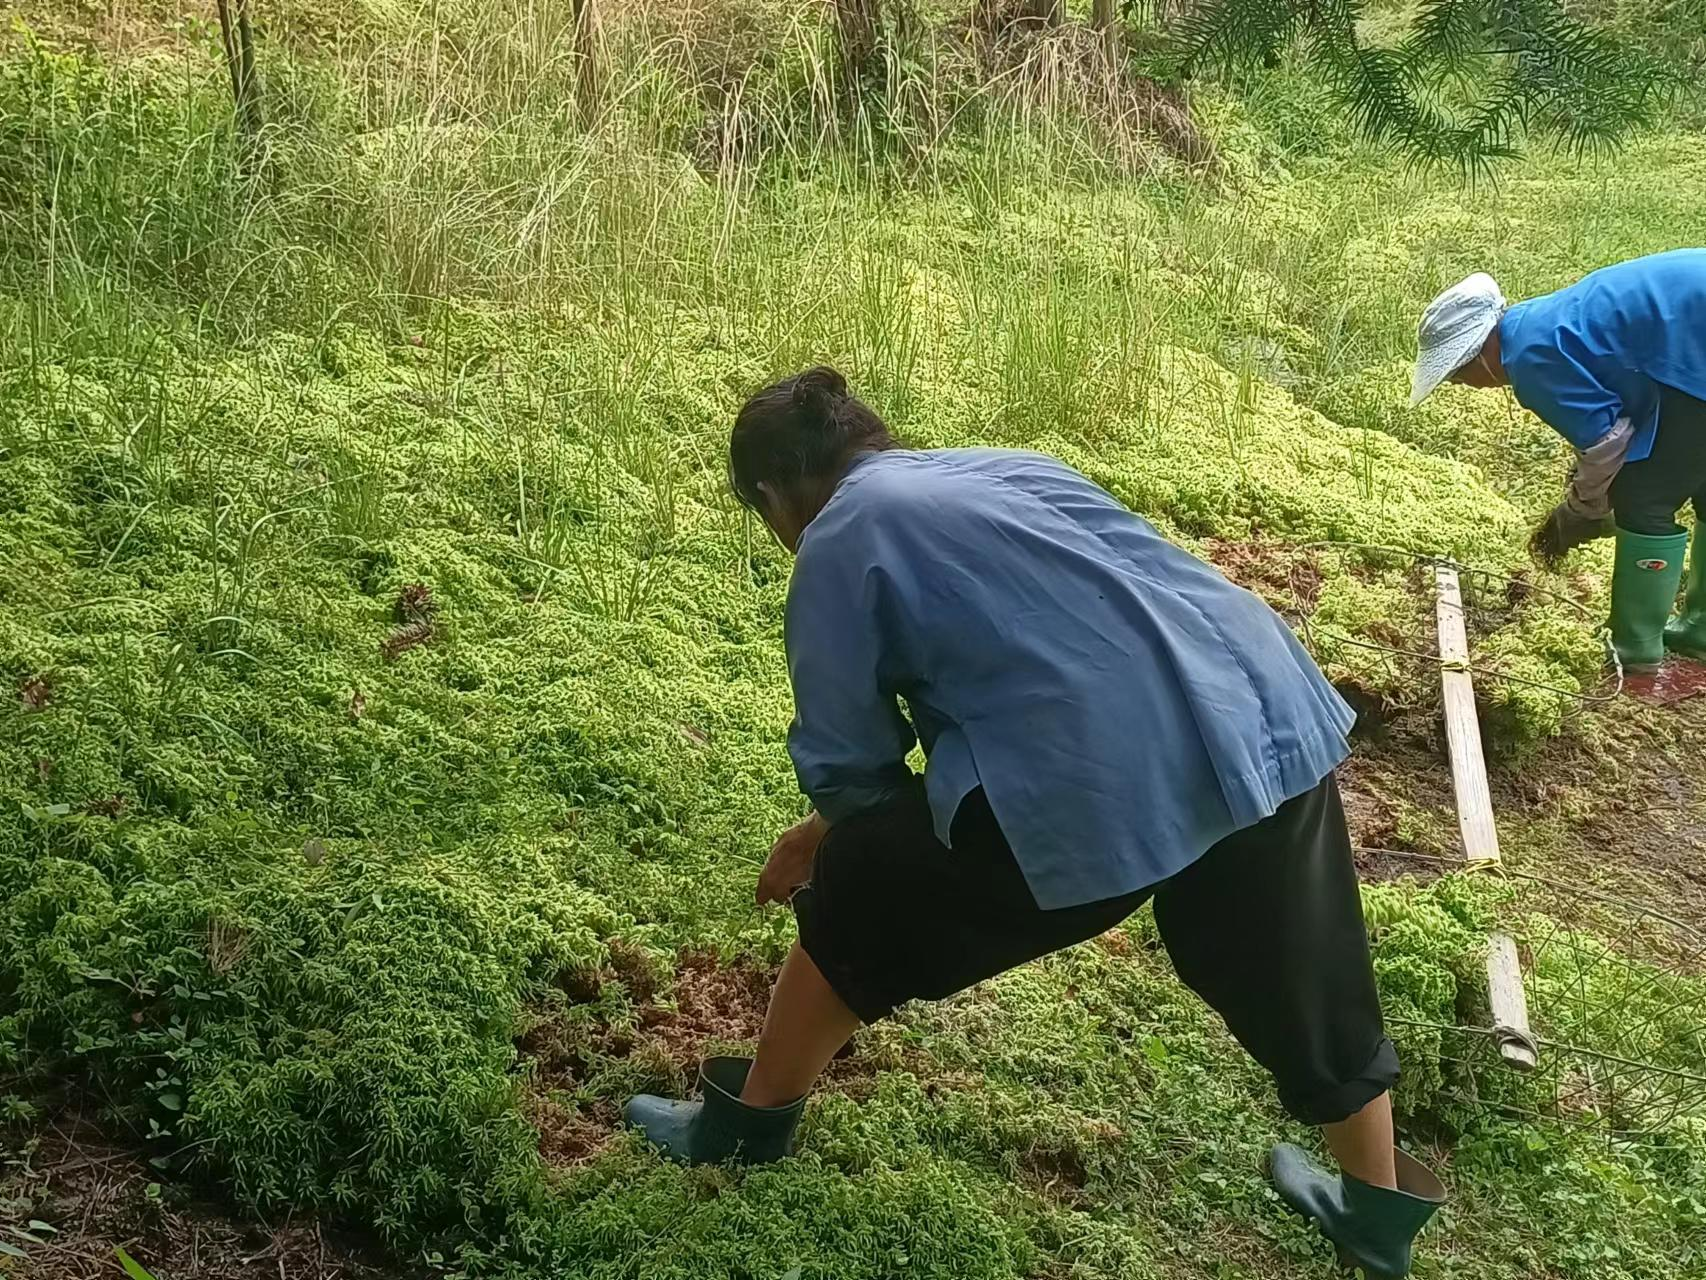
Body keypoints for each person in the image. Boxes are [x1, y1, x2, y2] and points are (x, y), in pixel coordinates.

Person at [623, 367, 1447, 1279]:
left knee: (865, 879)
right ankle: (1376, 1207)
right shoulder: (999, 464)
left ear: (774, 496)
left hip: (1107, 776)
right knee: (1303, 958)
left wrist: (825, 839)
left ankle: (747, 1126)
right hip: (1259, 713)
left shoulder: (837, 536)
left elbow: (854, 766)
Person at [1409, 248, 1706, 672]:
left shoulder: (1529, 359)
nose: (1462, 386)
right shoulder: (1535, 323)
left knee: (1645, 497)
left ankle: (1634, 652)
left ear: (1479, 352)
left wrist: (1582, 510)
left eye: (1457, 373)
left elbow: (1607, 444)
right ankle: (1700, 632)